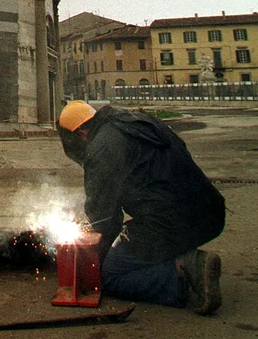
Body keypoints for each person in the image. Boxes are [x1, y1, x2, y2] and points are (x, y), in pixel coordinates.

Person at [58, 100, 225, 315]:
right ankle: (182, 258)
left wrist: (98, 249)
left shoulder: (100, 147)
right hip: (210, 213)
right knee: (140, 237)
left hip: (172, 223)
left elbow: (103, 216)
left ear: (81, 133)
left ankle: (184, 269)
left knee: (112, 275)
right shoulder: (138, 121)